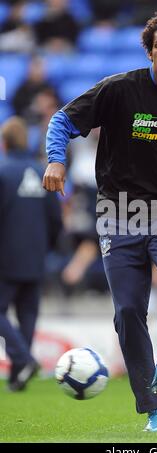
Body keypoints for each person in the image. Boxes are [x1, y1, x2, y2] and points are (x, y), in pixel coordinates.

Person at [42, 12, 157, 432]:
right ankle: (154, 408)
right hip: (120, 212)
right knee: (128, 310)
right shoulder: (118, 90)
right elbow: (61, 120)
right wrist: (56, 159)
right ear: (149, 51)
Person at [0, 117, 62, 392]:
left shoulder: (2, 172)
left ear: (4, 142)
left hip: (5, 258)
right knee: (27, 315)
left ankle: (23, 359)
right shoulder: (42, 172)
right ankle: (18, 376)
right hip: (36, 258)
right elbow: (56, 220)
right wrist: (46, 248)